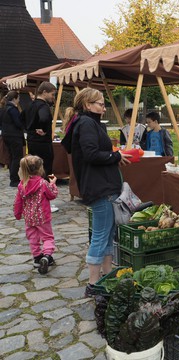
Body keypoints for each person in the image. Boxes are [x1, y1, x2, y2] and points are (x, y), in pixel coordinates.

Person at [63, 88, 131, 297]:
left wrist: (113, 156)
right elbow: (91, 154)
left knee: (109, 233)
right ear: (87, 105)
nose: (103, 108)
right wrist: (115, 156)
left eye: (103, 104)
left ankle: (107, 273)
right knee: (101, 235)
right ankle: (93, 284)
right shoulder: (85, 123)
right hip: (98, 187)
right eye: (100, 104)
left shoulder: (89, 123)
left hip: (103, 185)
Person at [13, 155, 58, 275]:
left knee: (33, 238)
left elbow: (18, 201)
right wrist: (53, 184)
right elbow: (52, 195)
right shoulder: (43, 183)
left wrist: (17, 214)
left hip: (29, 218)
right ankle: (47, 257)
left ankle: (37, 258)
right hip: (42, 217)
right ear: (39, 169)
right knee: (47, 237)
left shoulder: (21, 185)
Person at [23, 81, 56, 177]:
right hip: (43, 144)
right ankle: (44, 190)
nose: (53, 97)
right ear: (44, 92)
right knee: (45, 169)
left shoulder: (30, 105)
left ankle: (34, 189)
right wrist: (44, 130)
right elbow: (44, 118)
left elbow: (21, 118)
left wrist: (29, 129)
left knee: (33, 170)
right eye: (52, 94)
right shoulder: (43, 106)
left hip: (31, 141)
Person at [0, 91, 25, 187]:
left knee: (11, 156)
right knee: (16, 157)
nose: (19, 100)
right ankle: (14, 179)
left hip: (6, 135)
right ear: (15, 98)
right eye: (18, 98)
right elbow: (18, 123)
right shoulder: (13, 109)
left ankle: (13, 177)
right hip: (14, 136)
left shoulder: (3, 108)